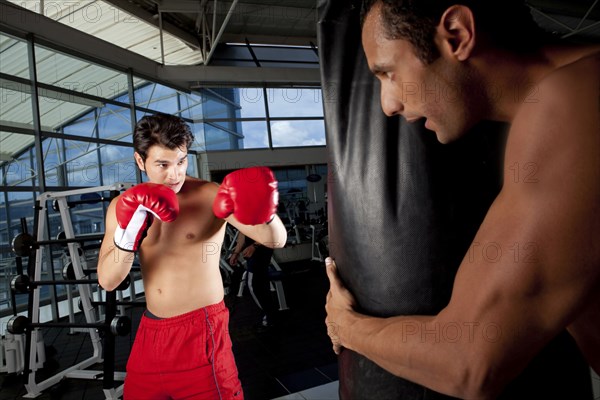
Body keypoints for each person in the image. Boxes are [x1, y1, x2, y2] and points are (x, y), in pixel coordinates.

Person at [324, 1, 600, 398]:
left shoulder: (576, 101)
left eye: (388, 73)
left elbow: (469, 361)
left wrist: (346, 325)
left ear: (456, 33)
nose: (388, 104)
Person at [96, 114, 287, 399]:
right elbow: (109, 281)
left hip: (202, 332)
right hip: (150, 333)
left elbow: (276, 239)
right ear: (140, 161)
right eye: (162, 164)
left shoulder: (210, 195)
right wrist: (128, 234)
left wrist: (264, 210)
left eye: (181, 161)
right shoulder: (121, 207)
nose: (175, 174)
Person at [229, 231, 278, 331]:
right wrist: (236, 252)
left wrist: (254, 246)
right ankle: (270, 317)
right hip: (254, 250)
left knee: (253, 285)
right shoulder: (241, 216)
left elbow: (269, 231)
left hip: (262, 249)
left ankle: (270, 317)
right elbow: (242, 231)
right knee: (261, 285)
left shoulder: (260, 215)